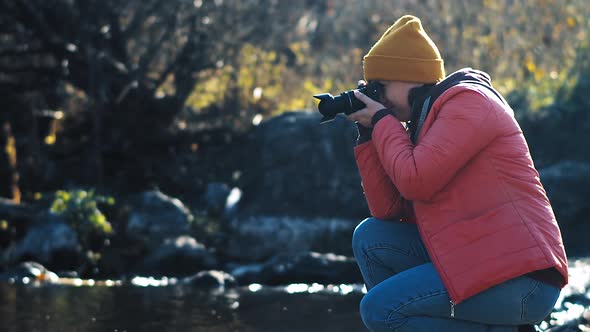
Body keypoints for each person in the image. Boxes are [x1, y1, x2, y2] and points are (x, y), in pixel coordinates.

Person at [347, 15, 568, 332]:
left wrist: (382, 120)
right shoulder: (425, 124)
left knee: (381, 310)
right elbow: (388, 211)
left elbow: (416, 181)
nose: (377, 97)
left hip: (522, 279)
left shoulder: (468, 102)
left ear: (409, 78)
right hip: (481, 261)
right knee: (371, 237)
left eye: (380, 88)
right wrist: (369, 135)